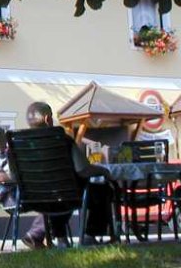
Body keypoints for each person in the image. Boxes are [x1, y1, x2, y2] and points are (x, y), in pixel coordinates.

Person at [22, 102, 115, 249]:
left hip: (34, 196)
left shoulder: (20, 142)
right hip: (66, 193)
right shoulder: (62, 139)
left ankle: (60, 239)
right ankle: (90, 235)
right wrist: (103, 171)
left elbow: (14, 175)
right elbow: (82, 169)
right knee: (102, 189)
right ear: (47, 119)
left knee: (60, 195)